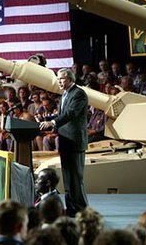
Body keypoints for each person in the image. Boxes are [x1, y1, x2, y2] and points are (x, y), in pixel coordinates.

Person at [40, 68, 89, 217]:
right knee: (68, 180)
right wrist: (47, 120)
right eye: (58, 79)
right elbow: (62, 114)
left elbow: (71, 114)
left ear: (70, 79)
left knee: (76, 179)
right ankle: (72, 209)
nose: (59, 81)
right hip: (65, 141)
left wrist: (53, 122)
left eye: (61, 79)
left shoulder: (79, 94)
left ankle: (82, 211)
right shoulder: (65, 94)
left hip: (75, 142)